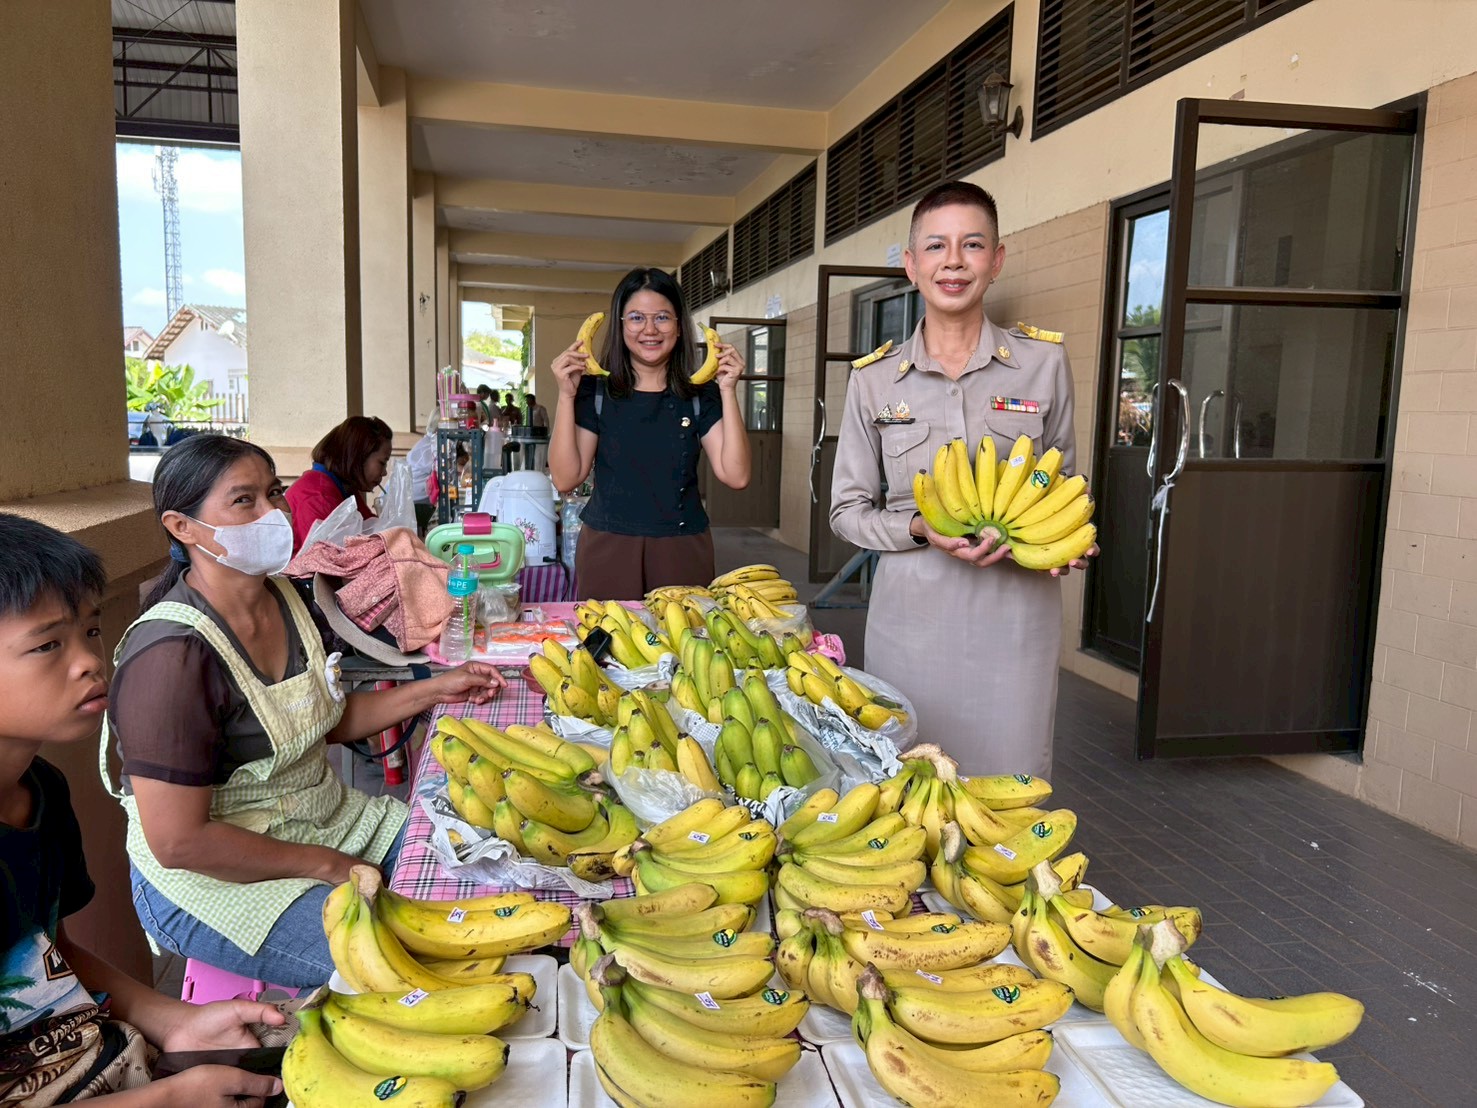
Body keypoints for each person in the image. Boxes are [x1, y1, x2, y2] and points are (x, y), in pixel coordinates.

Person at [102, 435, 503, 986]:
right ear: (182, 527)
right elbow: (179, 842)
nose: (273, 513)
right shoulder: (171, 658)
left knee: (487, 877)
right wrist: (324, 865)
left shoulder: (288, 600)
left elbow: (320, 720)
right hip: (220, 876)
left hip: (329, 822)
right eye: (245, 501)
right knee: (419, 969)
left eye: (275, 493)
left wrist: (438, 688)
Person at [0, 512, 287, 1106]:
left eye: (90, 631)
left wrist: (176, 1021)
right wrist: (168, 1100)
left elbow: (48, 953)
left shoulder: (42, 791)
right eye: (48, 644)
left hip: (98, 1060)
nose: (87, 662)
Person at [829, 181, 1096, 778]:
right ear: (911, 264)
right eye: (936, 246)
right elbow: (846, 510)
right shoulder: (873, 381)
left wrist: (1068, 542)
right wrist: (920, 527)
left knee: (1013, 780)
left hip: (1017, 620)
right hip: (910, 623)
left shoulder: (1043, 364)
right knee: (912, 783)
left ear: (996, 260)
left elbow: (1065, 488)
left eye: (972, 244)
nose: (954, 260)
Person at [549, 267, 750, 598]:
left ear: (679, 327)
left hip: (683, 548)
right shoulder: (595, 392)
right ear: (621, 325)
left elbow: (736, 475)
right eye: (636, 318)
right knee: (606, 647)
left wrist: (728, 390)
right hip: (606, 546)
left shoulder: (701, 395)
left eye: (662, 318)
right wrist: (566, 395)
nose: (650, 330)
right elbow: (565, 478)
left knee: (683, 647)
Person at [284, 415, 394, 552]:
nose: (384, 472)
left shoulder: (345, 489)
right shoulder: (318, 496)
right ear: (358, 457)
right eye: (382, 463)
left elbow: (375, 533)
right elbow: (324, 560)